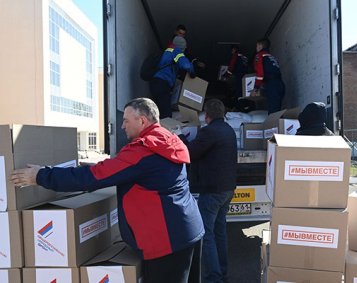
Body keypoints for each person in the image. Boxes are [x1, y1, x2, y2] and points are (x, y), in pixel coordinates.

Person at [10, 98, 205, 283]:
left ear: (142, 120)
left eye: (126, 120)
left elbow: (92, 178)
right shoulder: (166, 141)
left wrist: (40, 176)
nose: (122, 126)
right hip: (188, 230)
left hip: (167, 242)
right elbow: (123, 169)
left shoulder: (143, 150)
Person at [184, 99, 237, 283]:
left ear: (207, 116)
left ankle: (214, 278)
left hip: (213, 190)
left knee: (206, 234)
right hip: (227, 189)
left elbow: (190, 153)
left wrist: (182, 139)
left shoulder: (208, 132)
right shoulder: (228, 130)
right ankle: (222, 272)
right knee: (220, 231)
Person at [151, 36, 196, 119]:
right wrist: (192, 72)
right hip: (163, 83)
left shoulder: (167, 51)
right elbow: (186, 65)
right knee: (166, 115)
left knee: (157, 112)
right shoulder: (176, 51)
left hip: (154, 83)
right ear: (181, 46)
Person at [250, 38, 285, 114]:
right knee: (277, 111)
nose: (256, 48)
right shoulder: (271, 57)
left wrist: (255, 89)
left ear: (260, 45)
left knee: (273, 113)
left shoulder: (259, 55)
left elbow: (260, 74)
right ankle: (279, 125)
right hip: (280, 84)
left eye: (256, 46)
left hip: (272, 85)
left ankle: (274, 125)